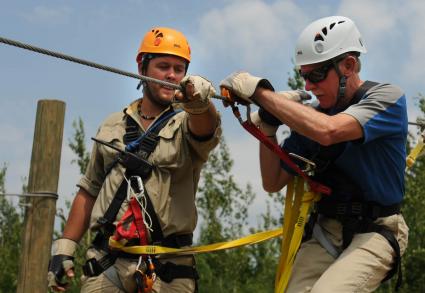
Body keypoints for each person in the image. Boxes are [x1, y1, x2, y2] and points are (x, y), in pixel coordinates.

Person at [220, 16, 408, 292]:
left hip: (377, 230)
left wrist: (260, 93)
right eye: (303, 76)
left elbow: (329, 131)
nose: (308, 86)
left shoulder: (387, 99)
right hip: (328, 229)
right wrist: (269, 126)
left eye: (316, 75)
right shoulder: (314, 118)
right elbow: (272, 182)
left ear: (348, 65)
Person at [48, 27, 221, 293]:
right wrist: (64, 248)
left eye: (179, 68)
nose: (172, 75)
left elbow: (205, 128)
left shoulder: (188, 121)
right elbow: (90, 188)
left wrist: (200, 102)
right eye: (163, 66)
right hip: (107, 263)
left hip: (168, 268)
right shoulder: (112, 125)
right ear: (142, 67)